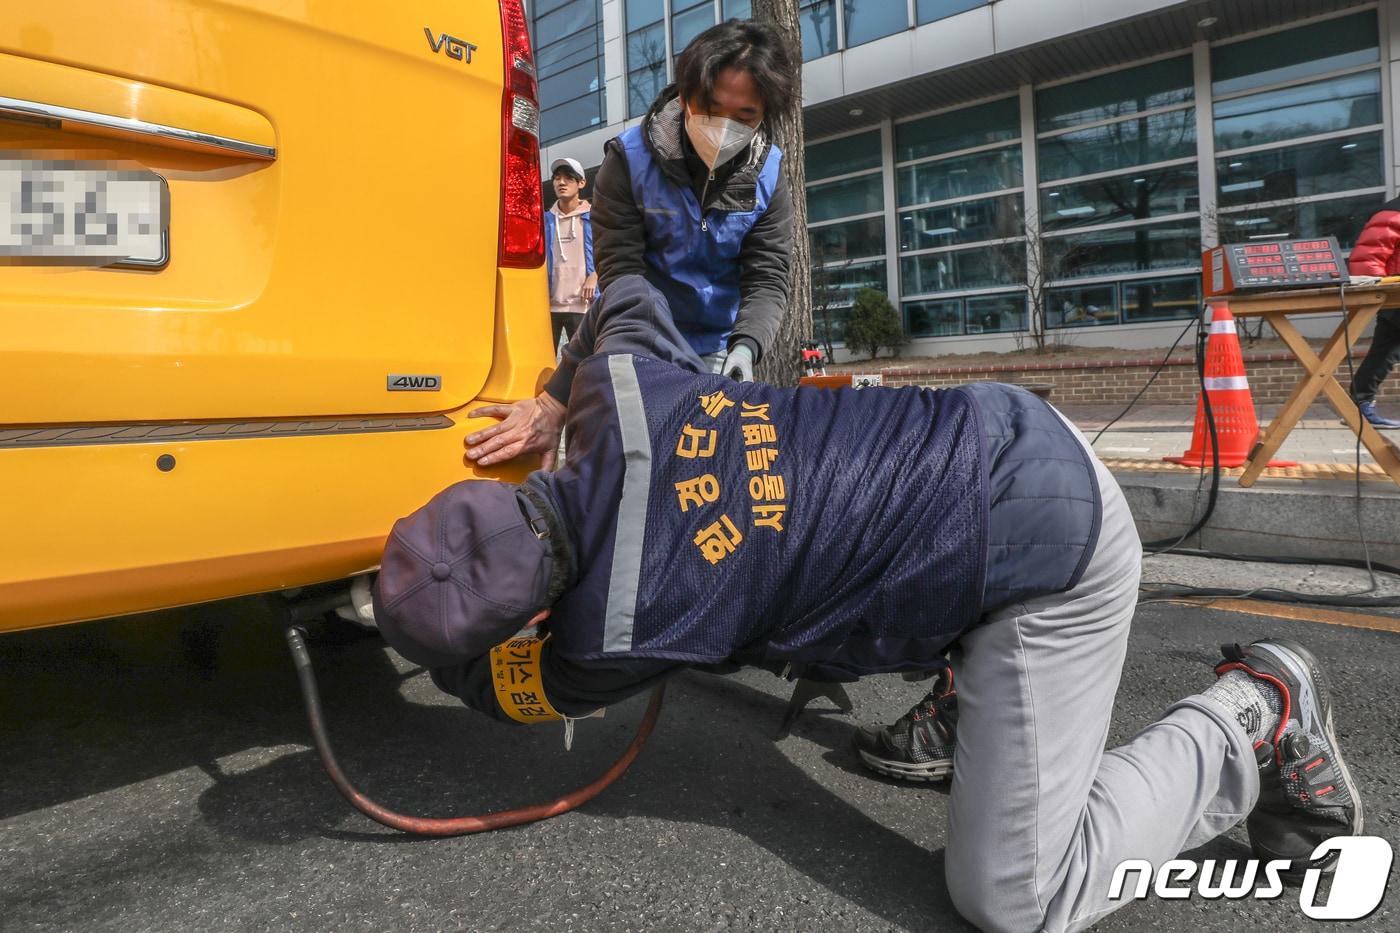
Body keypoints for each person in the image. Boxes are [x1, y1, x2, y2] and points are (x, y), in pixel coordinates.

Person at [374, 276, 1364, 933]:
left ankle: (1253, 719)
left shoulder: (619, 626)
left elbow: (514, 695)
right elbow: (625, 289)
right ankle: (971, 691)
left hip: (1046, 557)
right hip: (998, 426)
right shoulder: (617, 385)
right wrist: (551, 393)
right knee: (833, 536)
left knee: (1016, 893)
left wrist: (445, 663)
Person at [461, 19, 794, 471]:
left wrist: (745, 347)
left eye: (745, 117)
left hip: (720, 344)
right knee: (631, 464)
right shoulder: (629, 161)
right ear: (685, 94)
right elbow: (622, 283)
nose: (724, 128)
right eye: (712, 108)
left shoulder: (769, 175)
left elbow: (768, 277)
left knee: (712, 475)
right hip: (640, 337)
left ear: (764, 117)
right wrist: (557, 400)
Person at [1345, 196, 1400, 427]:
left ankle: (1358, 404)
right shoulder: (1392, 213)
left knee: (1386, 352)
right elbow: (1366, 259)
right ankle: (1359, 404)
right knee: (1385, 352)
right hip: (1394, 296)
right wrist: (1378, 293)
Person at [543, 157, 597, 345]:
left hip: (583, 306)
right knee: (545, 366)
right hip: (548, 306)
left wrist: (595, 275)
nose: (561, 182)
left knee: (583, 365)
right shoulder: (545, 221)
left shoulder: (596, 217)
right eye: (557, 178)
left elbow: (611, 252)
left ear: (581, 183)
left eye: (568, 178)